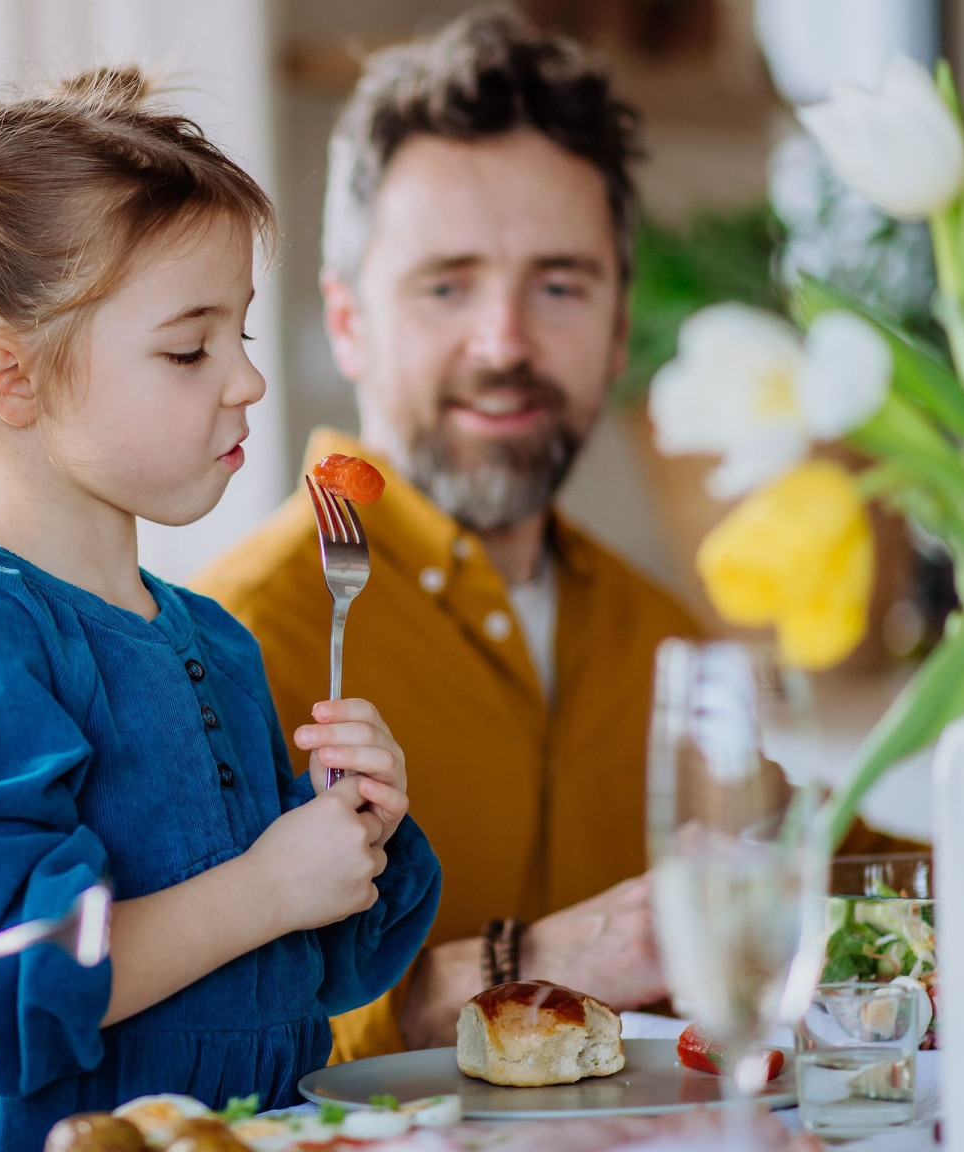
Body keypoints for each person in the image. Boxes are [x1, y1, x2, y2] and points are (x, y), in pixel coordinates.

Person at [194, 6, 910, 1062]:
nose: (504, 343)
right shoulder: (222, 648)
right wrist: (516, 966)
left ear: (619, 330)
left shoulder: (662, 638)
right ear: (348, 320)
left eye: (560, 285)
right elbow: (189, 1044)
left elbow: (871, 892)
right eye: (448, 285)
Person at [0, 66, 442, 1152]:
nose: (247, 382)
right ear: (13, 381)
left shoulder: (216, 641)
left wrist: (354, 837)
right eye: (189, 348)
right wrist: (265, 889)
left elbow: (317, 974)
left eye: (242, 337)